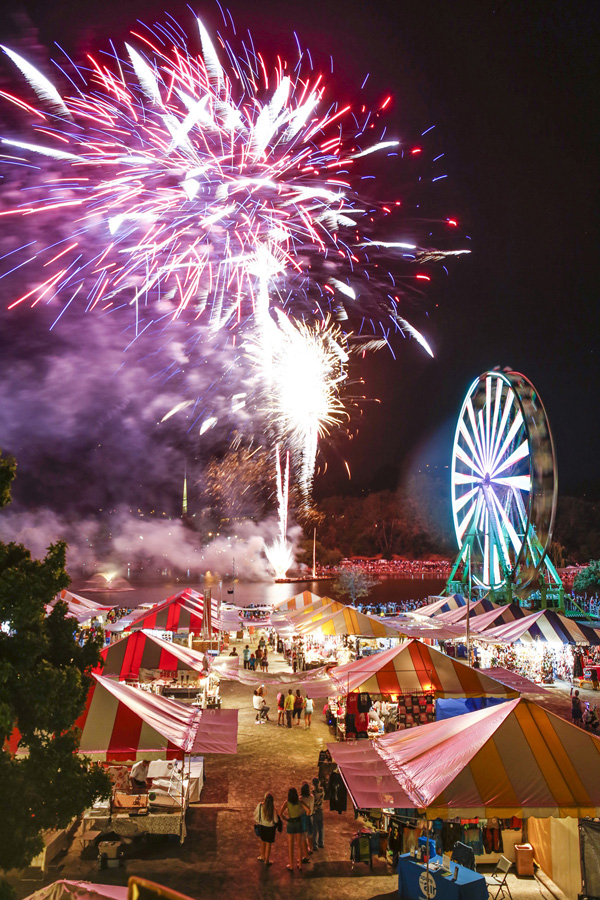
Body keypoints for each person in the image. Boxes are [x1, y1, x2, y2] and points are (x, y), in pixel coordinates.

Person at [279, 787, 310, 870]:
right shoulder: (300, 802)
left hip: (291, 823)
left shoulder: (287, 803)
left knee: (290, 846)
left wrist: (286, 819)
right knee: (299, 845)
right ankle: (299, 864)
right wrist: (304, 817)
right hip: (298, 823)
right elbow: (308, 810)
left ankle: (291, 865)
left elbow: (280, 813)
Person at [254, 791, 281, 865]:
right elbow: (276, 820)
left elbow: (255, 815)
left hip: (262, 826)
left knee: (263, 841)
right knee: (268, 844)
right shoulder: (273, 810)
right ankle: (267, 860)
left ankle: (262, 856)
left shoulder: (260, 806)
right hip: (270, 828)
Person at [300, 782, 314, 857]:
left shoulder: (301, 799)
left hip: (304, 817)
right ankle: (310, 848)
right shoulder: (312, 797)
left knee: (304, 834)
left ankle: (305, 850)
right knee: (310, 833)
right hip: (311, 816)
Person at [311, 777, 325, 849]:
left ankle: (315, 845)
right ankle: (321, 843)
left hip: (315, 811)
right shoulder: (322, 790)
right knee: (321, 828)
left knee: (315, 829)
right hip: (321, 810)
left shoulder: (313, 792)